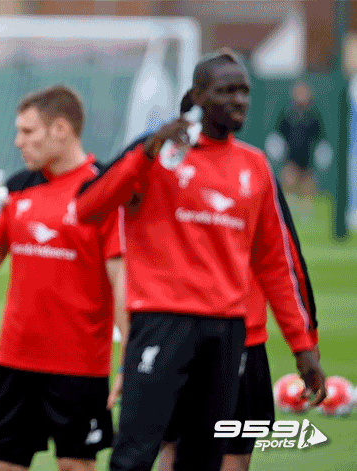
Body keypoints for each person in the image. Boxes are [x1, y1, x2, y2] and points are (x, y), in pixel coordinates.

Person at [74, 49, 326, 471]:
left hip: (227, 331)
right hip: (162, 322)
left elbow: (275, 264)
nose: (239, 100)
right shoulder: (156, 153)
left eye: (244, 91)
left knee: (205, 459)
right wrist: (145, 153)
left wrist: (303, 348)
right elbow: (87, 207)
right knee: (135, 454)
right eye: (226, 91)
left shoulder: (255, 166)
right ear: (197, 96)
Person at [0, 85, 126, 471]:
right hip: (15, 362)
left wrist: (128, 362)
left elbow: (124, 284)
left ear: (61, 129)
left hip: (79, 368)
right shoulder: (17, 187)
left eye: (28, 131)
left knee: (74, 466)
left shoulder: (102, 190)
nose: (18, 142)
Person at [155, 94, 318, 471]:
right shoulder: (159, 168)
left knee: (229, 453)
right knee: (175, 448)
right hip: (178, 333)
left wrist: (304, 340)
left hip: (243, 337)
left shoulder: (253, 168)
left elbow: (284, 260)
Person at [275, 80, 326, 221]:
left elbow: (320, 136)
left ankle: (306, 213)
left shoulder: (314, 114)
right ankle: (288, 210)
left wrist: (321, 152)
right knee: (288, 180)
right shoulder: (287, 113)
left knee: (308, 185)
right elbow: (279, 133)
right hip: (291, 156)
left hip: (308, 158)